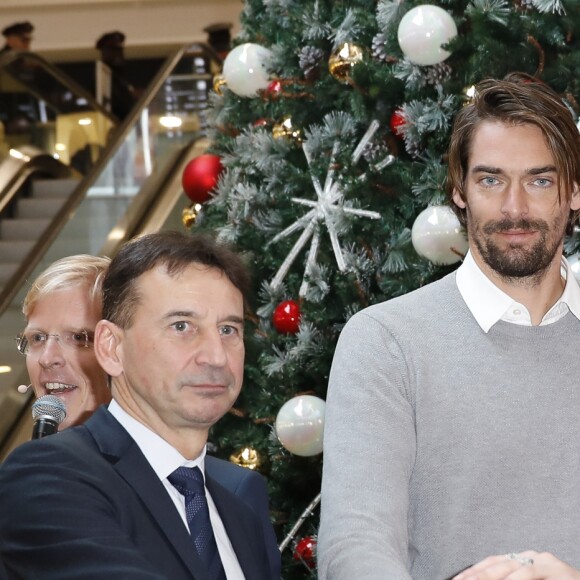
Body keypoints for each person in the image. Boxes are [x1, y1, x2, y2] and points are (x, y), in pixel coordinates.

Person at [318, 75, 580, 580]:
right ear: (459, 191)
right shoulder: (385, 343)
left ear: (573, 192)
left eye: (540, 180)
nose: (514, 207)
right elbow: (354, 545)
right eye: (490, 180)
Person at [0, 231, 280, 580]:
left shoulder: (239, 511)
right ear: (112, 348)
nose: (216, 356)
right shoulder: (41, 471)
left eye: (228, 330)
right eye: (182, 326)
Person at [16, 254, 112, 430]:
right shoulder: (33, 456)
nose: (46, 359)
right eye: (38, 338)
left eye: (78, 338)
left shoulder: (162, 453)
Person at [95, 30, 138, 120]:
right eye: (114, 50)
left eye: (120, 50)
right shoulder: (103, 77)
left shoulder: (120, 77)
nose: (119, 54)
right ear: (104, 52)